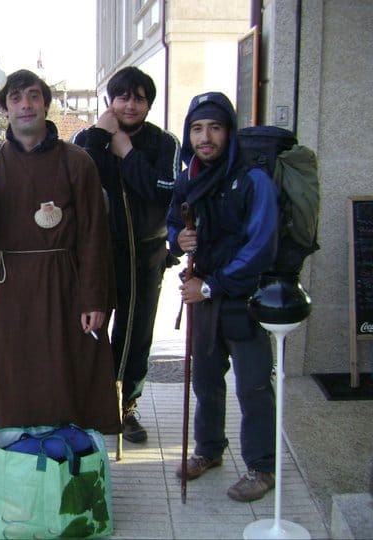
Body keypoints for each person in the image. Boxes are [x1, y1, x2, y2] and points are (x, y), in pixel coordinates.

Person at [0, 69, 120, 435]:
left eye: (33, 95)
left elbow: (94, 236)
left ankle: (68, 458)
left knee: (66, 374)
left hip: (65, 286)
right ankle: (21, 458)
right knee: (14, 377)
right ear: (5, 110)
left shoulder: (77, 161)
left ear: (45, 104)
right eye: (15, 98)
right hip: (9, 292)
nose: (25, 104)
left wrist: (95, 299)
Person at [166, 91, 279, 502]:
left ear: (229, 132)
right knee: (205, 381)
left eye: (214, 127)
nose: (205, 137)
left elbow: (261, 246)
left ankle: (261, 468)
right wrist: (178, 238)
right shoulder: (188, 179)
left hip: (243, 301)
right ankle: (209, 450)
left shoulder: (253, 180)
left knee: (253, 387)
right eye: (197, 128)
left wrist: (211, 285)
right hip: (203, 300)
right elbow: (172, 224)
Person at [74, 66, 181, 443]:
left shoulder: (164, 142)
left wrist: (127, 151)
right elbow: (77, 184)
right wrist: (101, 137)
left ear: (149, 104)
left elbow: (164, 191)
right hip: (95, 254)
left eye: (139, 98)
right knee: (89, 329)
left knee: (136, 333)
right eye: (122, 97)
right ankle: (91, 403)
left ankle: (126, 406)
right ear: (110, 101)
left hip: (145, 255)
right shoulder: (88, 138)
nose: (130, 105)